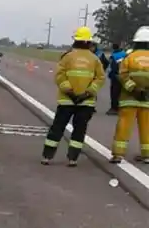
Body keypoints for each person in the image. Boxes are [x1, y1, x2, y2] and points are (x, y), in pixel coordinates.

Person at [41, 26, 105, 167]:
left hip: (66, 100)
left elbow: (59, 76)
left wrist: (69, 91)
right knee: (79, 130)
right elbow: (100, 78)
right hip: (86, 102)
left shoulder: (67, 57)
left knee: (57, 128)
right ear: (89, 42)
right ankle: (73, 158)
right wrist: (88, 93)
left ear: (75, 40)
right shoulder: (95, 59)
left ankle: (47, 156)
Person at [110, 26, 149, 163]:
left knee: (124, 126)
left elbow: (122, 76)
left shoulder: (129, 57)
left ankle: (118, 155)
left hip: (129, 99)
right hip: (147, 100)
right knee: (147, 128)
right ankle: (147, 155)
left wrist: (134, 89)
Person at [106, 42, 127, 115]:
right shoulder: (124, 54)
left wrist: (111, 75)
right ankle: (122, 108)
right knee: (122, 93)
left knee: (114, 93)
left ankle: (114, 108)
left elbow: (113, 67)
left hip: (116, 77)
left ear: (113, 48)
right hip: (124, 76)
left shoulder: (114, 56)